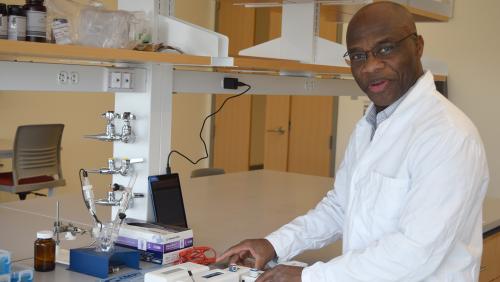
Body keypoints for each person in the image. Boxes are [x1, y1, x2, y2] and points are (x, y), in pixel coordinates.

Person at [217, 1, 490, 282]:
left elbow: (416, 252)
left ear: (418, 46)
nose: (371, 66)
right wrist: (275, 244)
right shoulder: (372, 125)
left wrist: (309, 277)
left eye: (386, 49)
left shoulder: (447, 136)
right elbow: (341, 206)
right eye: (358, 55)